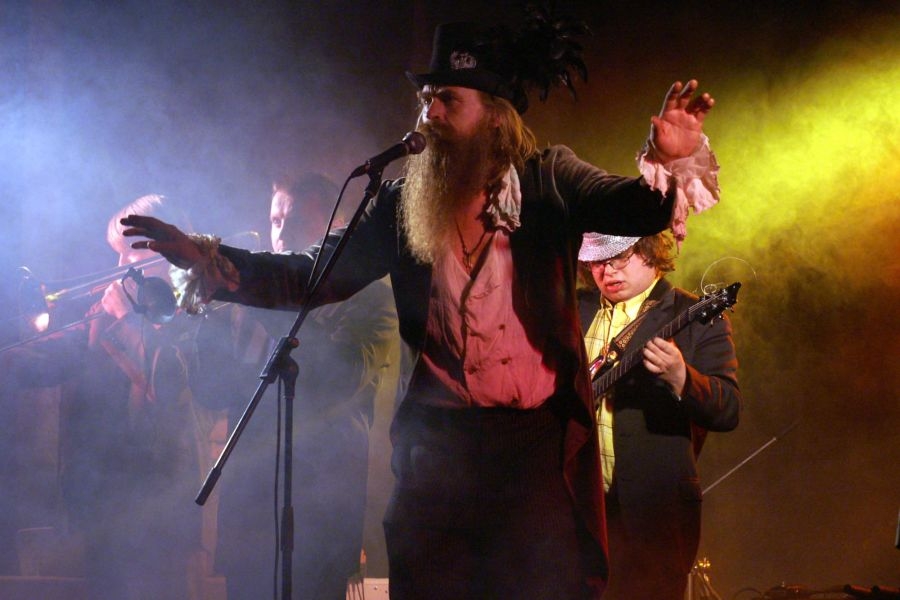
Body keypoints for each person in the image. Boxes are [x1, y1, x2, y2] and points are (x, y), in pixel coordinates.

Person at [121, 18, 722, 600]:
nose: (429, 114)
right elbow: (310, 274)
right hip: (441, 450)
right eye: (426, 99)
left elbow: (631, 208)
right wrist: (206, 257)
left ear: (494, 113)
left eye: (448, 100)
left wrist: (668, 157)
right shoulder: (401, 202)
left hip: (533, 449)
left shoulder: (548, 181)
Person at [192, 173, 398, 600]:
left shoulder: (370, 298)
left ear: (335, 229)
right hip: (249, 511)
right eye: (276, 220)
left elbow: (339, 379)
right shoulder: (251, 301)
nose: (281, 233)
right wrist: (205, 323)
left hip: (321, 507)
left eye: (297, 220)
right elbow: (212, 392)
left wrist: (263, 302)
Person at [0, 194, 209, 600]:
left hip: (158, 508)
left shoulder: (195, 312)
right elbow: (55, 359)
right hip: (100, 502)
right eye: (117, 253)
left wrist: (128, 320)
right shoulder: (116, 311)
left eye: (131, 253)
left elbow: (168, 394)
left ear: (168, 252)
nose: (119, 266)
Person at [577, 231, 741, 599]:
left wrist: (683, 378)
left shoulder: (691, 315)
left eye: (620, 257)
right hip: (577, 509)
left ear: (650, 251)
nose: (607, 271)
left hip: (653, 515)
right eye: (597, 261)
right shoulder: (573, 308)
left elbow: (729, 408)